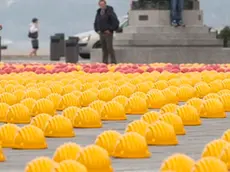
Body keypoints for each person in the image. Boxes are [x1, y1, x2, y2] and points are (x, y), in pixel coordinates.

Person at [94, 0, 119, 64]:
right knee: (104, 48)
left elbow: (115, 21)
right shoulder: (99, 12)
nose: (102, 6)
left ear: (105, 4)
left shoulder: (109, 11)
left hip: (108, 33)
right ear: (99, 5)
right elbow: (96, 22)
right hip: (101, 33)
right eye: (100, 4)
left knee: (109, 48)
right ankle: (105, 62)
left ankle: (113, 62)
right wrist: (97, 30)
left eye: (103, 4)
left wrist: (110, 29)